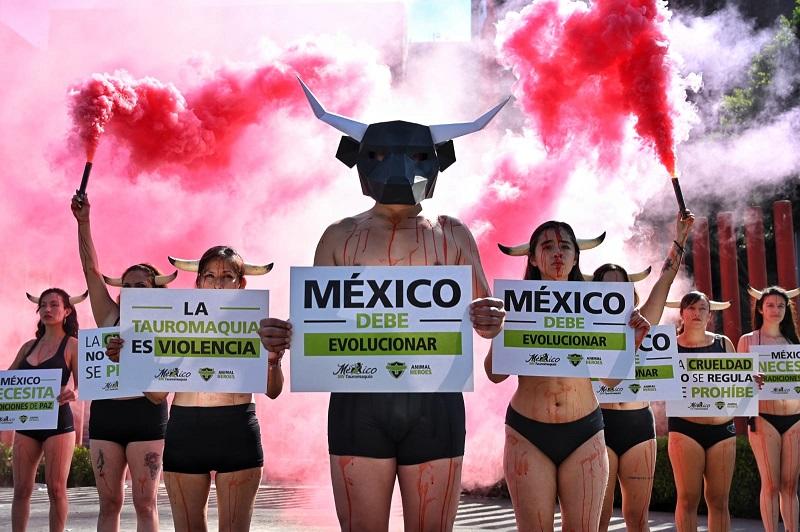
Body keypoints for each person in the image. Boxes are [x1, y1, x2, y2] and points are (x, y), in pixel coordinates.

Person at [259, 80, 507, 531]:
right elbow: (319, 321)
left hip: (436, 401)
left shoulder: (453, 233)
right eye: (378, 155)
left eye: (415, 156)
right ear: (355, 160)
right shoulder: (339, 235)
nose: (397, 168)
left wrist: (492, 320)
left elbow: (486, 319)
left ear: (439, 161)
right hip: (359, 402)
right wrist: (282, 337)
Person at [485, 220, 651, 531]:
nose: (557, 253)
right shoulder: (515, 304)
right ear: (532, 258)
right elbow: (495, 374)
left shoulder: (598, 306)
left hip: (584, 432)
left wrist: (633, 343)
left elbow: (610, 380)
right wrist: (499, 333)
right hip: (527, 433)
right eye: (547, 246)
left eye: (565, 247)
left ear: (576, 256)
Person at [148, 246, 282, 532]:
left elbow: (272, 390)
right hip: (185, 430)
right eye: (209, 276)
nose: (217, 283)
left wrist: (274, 361)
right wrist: (139, 362)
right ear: (198, 282)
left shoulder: (257, 322)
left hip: (237, 429)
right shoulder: (173, 323)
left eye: (227, 276)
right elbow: (155, 395)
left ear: (241, 283)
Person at [71, 193, 173, 532]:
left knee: (145, 503)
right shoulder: (111, 316)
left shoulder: (170, 321)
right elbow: (91, 270)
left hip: (147, 415)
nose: (130, 290)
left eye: (140, 285)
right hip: (107, 416)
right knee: (109, 504)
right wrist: (83, 223)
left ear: (155, 289)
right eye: (125, 286)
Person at [595, 212, 695, 532]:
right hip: (598, 423)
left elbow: (665, 277)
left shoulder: (644, 318)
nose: (612, 292)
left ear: (630, 290)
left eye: (619, 286)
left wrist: (680, 238)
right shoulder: (582, 324)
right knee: (596, 518)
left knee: (637, 520)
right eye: (605, 286)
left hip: (639, 423)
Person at [9, 288, 84, 532]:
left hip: (58, 425)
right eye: (43, 305)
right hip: (27, 423)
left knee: (56, 488)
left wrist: (74, 392)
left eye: (54, 305)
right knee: (20, 489)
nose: (47, 310)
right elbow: (7, 381)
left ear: (67, 311)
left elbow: (86, 385)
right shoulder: (28, 347)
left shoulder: (72, 345)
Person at [667, 290, 736, 532]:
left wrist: (751, 379)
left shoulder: (723, 342)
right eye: (691, 308)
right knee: (687, 499)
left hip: (723, 428)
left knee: (719, 501)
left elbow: (736, 379)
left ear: (709, 314)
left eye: (702, 309)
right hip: (685, 429)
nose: (697, 313)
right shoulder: (668, 346)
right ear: (682, 313)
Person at [739, 285, 800, 532]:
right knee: (771, 484)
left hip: (795, 418)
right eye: (771, 305)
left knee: (790, 485)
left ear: (787, 310)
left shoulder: (794, 342)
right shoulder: (748, 340)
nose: (776, 310)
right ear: (760, 309)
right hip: (763, 417)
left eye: (781, 305)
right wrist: (749, 378)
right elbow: (735, 381)